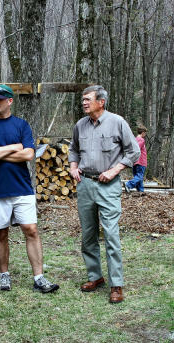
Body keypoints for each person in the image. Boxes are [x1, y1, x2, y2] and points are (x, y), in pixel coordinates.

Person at [0, 84, 59, 293]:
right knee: (1, 234)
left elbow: (29, 154)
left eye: (0, 99)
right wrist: (13, 147)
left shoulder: (21, 126)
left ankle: (39, 278)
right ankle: (4, 276)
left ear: (10, 101)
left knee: (31, 230)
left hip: (21, 187)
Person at [68, 85, 140, 304]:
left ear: (101, 101)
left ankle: (116, 284)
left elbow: (133, 151)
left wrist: (114, 170)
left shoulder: (117, 122)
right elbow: (73, 149)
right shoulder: (80, 125)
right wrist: (73, 167)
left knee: (110, 234)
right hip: (85, 185)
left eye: (88, 99)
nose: (84, 103)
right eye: (83, 99)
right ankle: (95, 277)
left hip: (108, 186)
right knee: (88, 234)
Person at [125, 126, 148, 194]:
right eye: (145, 133)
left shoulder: (134, 139)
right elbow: (136, 149)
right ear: (143, 133)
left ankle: (140, 190)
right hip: (141, 161)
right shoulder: (141, 139)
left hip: (135, 161)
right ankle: (128, 184)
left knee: (137, 176)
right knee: (140, 175)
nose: (145, 135)